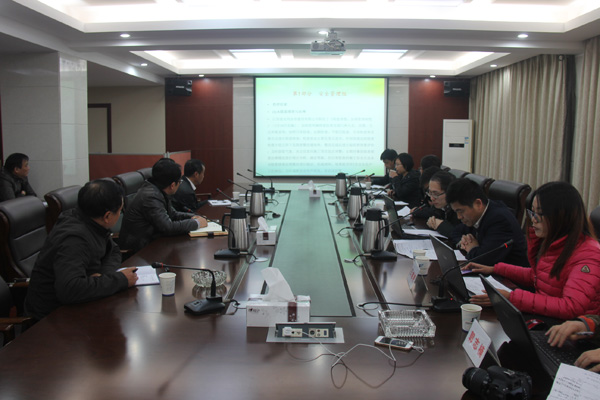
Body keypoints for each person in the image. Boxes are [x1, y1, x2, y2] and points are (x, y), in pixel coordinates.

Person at [464, 181, 600, 320]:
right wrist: (495, 269)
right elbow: (538, 276)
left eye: (539, 213)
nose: (533, 219)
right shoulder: (556, 241)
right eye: (532, 212)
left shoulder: (589, 255)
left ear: (561, 216)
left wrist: (511, 298)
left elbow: (570, 306)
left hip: (569, 328)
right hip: (546, 317)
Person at [25, 179, 138, 321]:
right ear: (107, 216)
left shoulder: (90, 221)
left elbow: (113, 251)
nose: (121, 213)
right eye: (120, 210)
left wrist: (103, 276)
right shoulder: (74, 238)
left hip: (81, 303)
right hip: (52, 318)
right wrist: (121, 279)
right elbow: (69, 289)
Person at [119, 158, 208, 254]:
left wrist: (193, 217)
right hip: (138, 251)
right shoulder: (151, 196)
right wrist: (196, 223)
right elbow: (168, 227)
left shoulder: (159, 190)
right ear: (172, 185)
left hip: (151, 241)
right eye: (180, 182)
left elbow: (173, 214)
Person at [447, 178, 528, 267]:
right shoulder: (475, 215)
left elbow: (483, 260)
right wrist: (463, 242)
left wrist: (472, 249)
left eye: (461, 211)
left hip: (507, 274)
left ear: (478, 204)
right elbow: (455, 232)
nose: (459, 217)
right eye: (456, 212)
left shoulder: (500, 220)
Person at [425, 171, 460, 239]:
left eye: (436, 194)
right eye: (430, 193)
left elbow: (460, 235)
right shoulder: (441, 206)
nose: (432, 198)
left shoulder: (459, 209)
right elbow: (431, 212)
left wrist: (441, 225)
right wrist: (432, 221)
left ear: (449, 192)